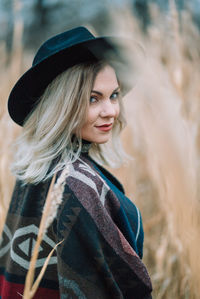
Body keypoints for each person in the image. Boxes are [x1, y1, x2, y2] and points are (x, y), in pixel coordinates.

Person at [0, 27, 152, 298]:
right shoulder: (76, 184)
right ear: (62, 105)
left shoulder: (34, 168)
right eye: (93, 99)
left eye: (113, 95)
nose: (111, 112)